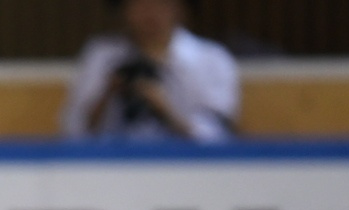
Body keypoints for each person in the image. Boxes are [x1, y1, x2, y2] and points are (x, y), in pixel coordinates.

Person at [61, 0, 237, 143]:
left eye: (161, 3)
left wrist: (165, 110)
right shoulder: (102, 56)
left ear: (181, 8)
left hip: (188, 167)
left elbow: (217, 138)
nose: (150, 11)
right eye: (139, 3)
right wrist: (108, 92)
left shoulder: (211, 58)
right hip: (113, 166)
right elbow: (73, 131)